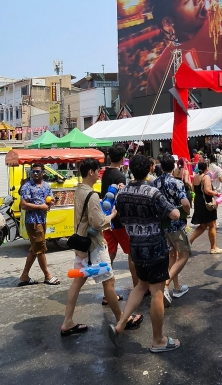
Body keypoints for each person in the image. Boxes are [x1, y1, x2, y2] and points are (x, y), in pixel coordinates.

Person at [106, 154, 181, 353]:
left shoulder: (122, 194)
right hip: (155, 247)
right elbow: (175, 214)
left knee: (140, 286)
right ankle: (158, 340)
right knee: (156, 291)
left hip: (136, 247)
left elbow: (117, 215)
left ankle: (121, 323)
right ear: (148, 170)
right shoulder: (153, 192)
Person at [61, 158, 136, 337]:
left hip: (81, 244)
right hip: (93, 246)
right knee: (109, 281)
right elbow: (99, 222)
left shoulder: (79, 190)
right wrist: (113, 215)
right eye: (97, 171)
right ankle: (121, 318)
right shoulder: (92, 195)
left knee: (77, 282)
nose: (99, 174)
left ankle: (67, 322)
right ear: (91, 172)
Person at [151, 154, 191, 305]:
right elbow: (185, 203)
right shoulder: (176, 183)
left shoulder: (155, 183)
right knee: (184, 255)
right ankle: (166, 284)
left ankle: (178, 287)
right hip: (176, 224)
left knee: (172, 256)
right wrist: (185, 213)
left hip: (163, 225)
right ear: (173, 166)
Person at [101, 144, 138, 291]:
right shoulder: (119, 176)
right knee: (131, 253)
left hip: (107, 219)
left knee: (110, 254)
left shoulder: (106, 173)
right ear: (122, 158)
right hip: (119, 221)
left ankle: (107, 292)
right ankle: (137, 287)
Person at [17, 163, 59, 286]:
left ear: (43, 173)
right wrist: (40, 206)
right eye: (33, 171)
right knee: (40, 249)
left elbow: (50, 199)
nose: (35, 173)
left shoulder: (46, 186)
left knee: (35, 248)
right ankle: (47, 276)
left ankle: (24, 276)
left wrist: (51, 201)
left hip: (42, 220)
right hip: (33, 221)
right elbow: (24, 205)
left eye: (38, 172)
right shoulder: (27, 186)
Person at [189, 161, 222, 254]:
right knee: (212, 224)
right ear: (206, 168)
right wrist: (216, 193)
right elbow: (207, 190)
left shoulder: (196, 177)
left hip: (198, 201)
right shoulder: (206, 177)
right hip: (206, 202)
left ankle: (188, 243)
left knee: (203, 225)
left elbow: (193, 189)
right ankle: (213, 247)